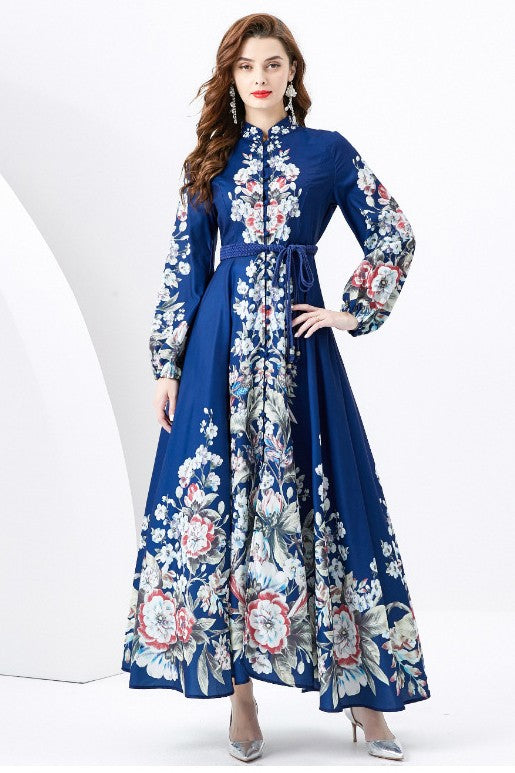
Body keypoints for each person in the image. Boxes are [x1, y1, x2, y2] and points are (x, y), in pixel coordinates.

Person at [121, 12, 431, 763]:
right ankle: (240, 697)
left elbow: (393, 232)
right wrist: (167, 363)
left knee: (328, 502)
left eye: (272, 64)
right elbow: (186, 264)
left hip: (299, 357)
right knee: (222, 508)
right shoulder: (212, 159)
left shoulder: (327, 153)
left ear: (293, 72)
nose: (259, 78)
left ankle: (363, 696)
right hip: (218, 356)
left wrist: (349, 311)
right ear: (230, 79)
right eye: (245, 67)